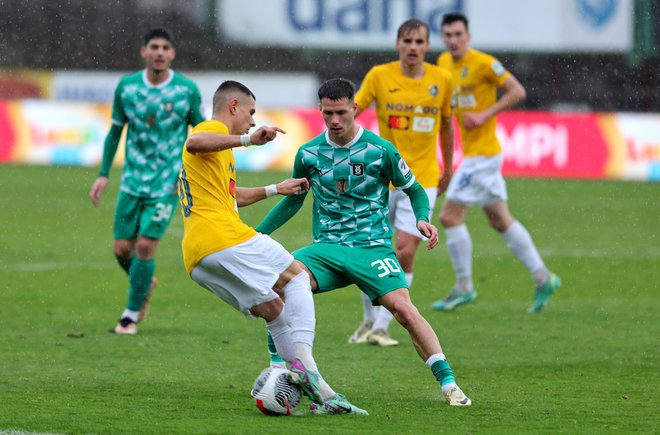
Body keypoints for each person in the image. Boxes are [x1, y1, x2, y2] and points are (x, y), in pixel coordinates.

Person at [257, 78, 471, 407]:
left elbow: (413, 189)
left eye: (341, 112)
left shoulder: (380, 150)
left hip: (372, 248)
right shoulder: (309, 153)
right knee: (278, 285)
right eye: (328, 113)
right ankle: (279, 369)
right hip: (326, 250)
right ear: (320, 110)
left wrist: (422, 218)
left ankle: (449, 384)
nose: (335, 120)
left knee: (404, 312)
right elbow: (294, 201)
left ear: (354, 108)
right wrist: (258, 235)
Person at [179, 80, 368, 415]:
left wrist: (275, 188)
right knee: (296, 276)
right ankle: (306, 364)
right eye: (250, 113)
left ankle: (323, 395)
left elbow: (230, 196)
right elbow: (194, 141)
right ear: (234, 106)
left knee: (274, 310)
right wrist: (249, 140)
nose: (252, 120)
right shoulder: (213, 131)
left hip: (197, 257)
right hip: (223, 237)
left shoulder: (221, 155)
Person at [432, 12, 561, 313]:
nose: (453, 40)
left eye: (458, 35)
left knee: (450, 217)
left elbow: (518, 91)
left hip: (484, 154)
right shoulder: (442, 63)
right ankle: (544, 277)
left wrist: (485, 114)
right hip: (478, 154)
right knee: (499, 219)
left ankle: (464, 286)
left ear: (468, 37)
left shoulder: (484, 63)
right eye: (448, 35)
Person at [89, 28, 205, 335]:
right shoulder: (127, 88)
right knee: (120, 250)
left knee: (143, 246)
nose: (159, 52)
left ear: (172, 54)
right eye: (154, 46)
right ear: (144, 51)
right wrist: (103, 174)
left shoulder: (186, 90)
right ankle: (143, 282)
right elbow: (115, 132)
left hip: (168, 182)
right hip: (132, 180)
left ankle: (130, 316)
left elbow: (203, 132)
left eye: (165, 47)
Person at [351, 18, 454, 346]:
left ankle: (381, 326)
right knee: (367, 248)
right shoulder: (380, 76)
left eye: (419, 42)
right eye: (407, 41)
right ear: (398, 44)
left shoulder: (442, 80)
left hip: (421, 179)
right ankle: (368, 322)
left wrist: (448, 167)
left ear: (427, 46)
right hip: (381, 179)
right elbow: (350, 111)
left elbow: (447, 126)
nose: (413, 47)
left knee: (404, 251)